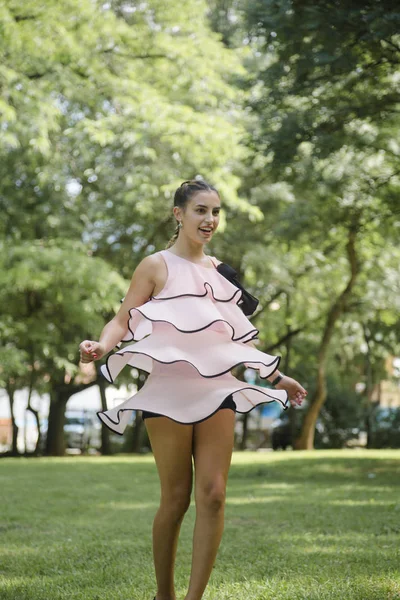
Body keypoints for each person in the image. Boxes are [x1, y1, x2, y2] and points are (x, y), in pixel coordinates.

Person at [79, 179, 307, 600]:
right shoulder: (155, 265)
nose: (210, 220)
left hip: (217, 391)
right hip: (167, 392)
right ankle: (163, 594)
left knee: (215, 495)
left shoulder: (222, 273)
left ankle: (193, 598)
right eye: (201, 210)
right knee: (177, 498)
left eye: (216, 212)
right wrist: (101, 346)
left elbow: (236, 340)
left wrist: (278, 377)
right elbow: (122, 320)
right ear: (179, 214)